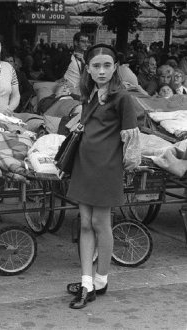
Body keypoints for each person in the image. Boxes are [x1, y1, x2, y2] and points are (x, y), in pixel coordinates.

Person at [65, 44, 141, 309]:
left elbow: (131, 138)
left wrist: (128, 169)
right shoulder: (88, 94)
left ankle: (101, 279)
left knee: (100, 223)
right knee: (85, 223)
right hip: (84, 165)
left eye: (107, 65)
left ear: (115, 67)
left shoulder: (122, 97)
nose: (101, 70)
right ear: (88, 68)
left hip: (107, 168)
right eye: (96, 66)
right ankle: (87, 281)